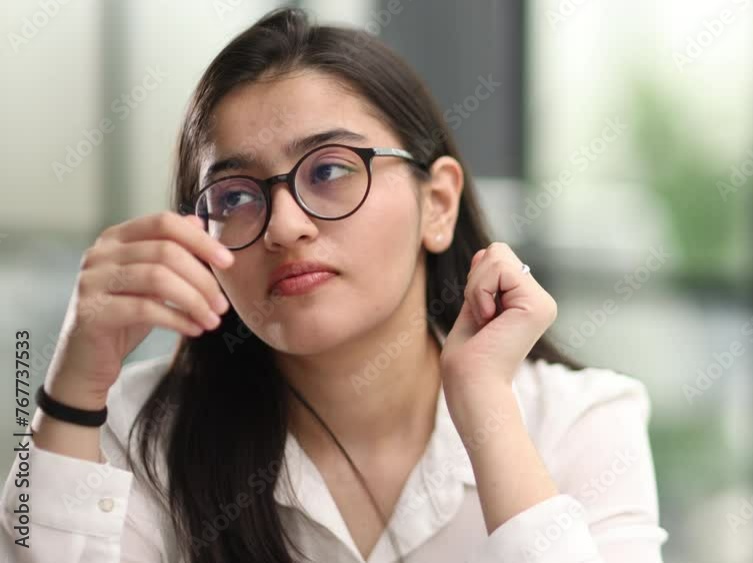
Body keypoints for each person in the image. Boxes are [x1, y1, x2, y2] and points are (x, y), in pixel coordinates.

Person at [1, 8, 667, 563]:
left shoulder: (579, 420)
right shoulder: (134, 429)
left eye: (329, 171)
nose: (284, 226)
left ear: (438, 205)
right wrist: (72, 394)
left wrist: (485, 407)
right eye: (234, 196)